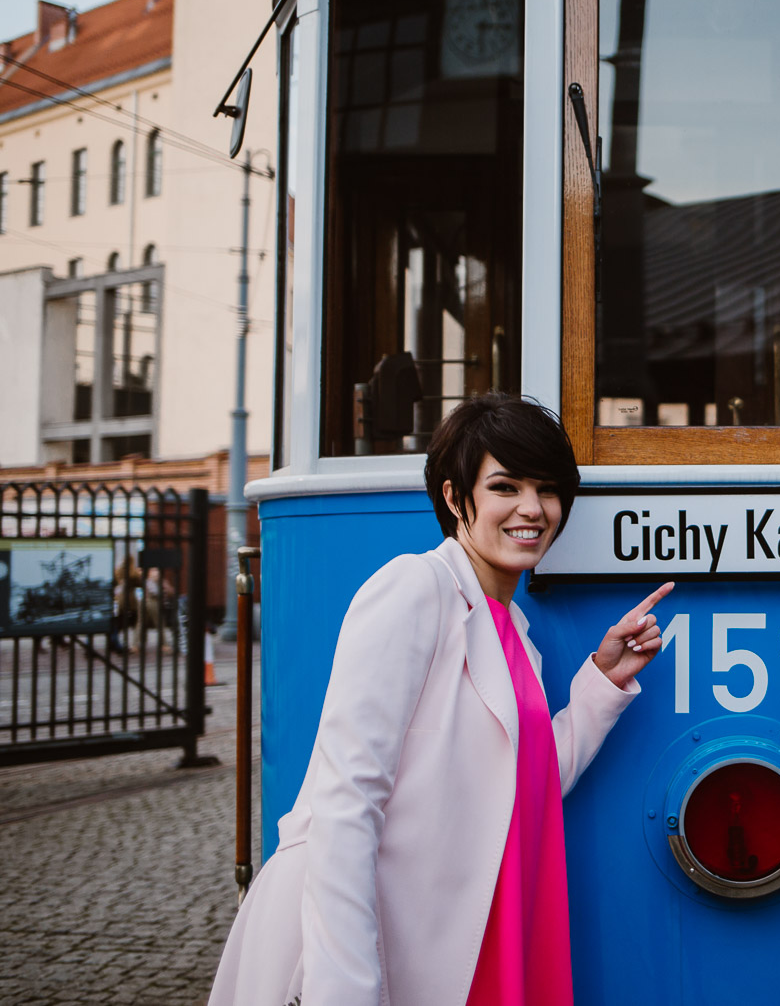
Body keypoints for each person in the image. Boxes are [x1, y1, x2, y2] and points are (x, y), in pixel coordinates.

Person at [208, 393, 672, 1006]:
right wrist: (346, 988)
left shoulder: (513, 633)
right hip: (362, 948)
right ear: (456, 499)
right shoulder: (414, 589)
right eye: (505, 487)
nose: (532, 509)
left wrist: (602, 683)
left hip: (460, 935)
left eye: (547, 489)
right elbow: (347, 800)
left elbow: (519, 780)